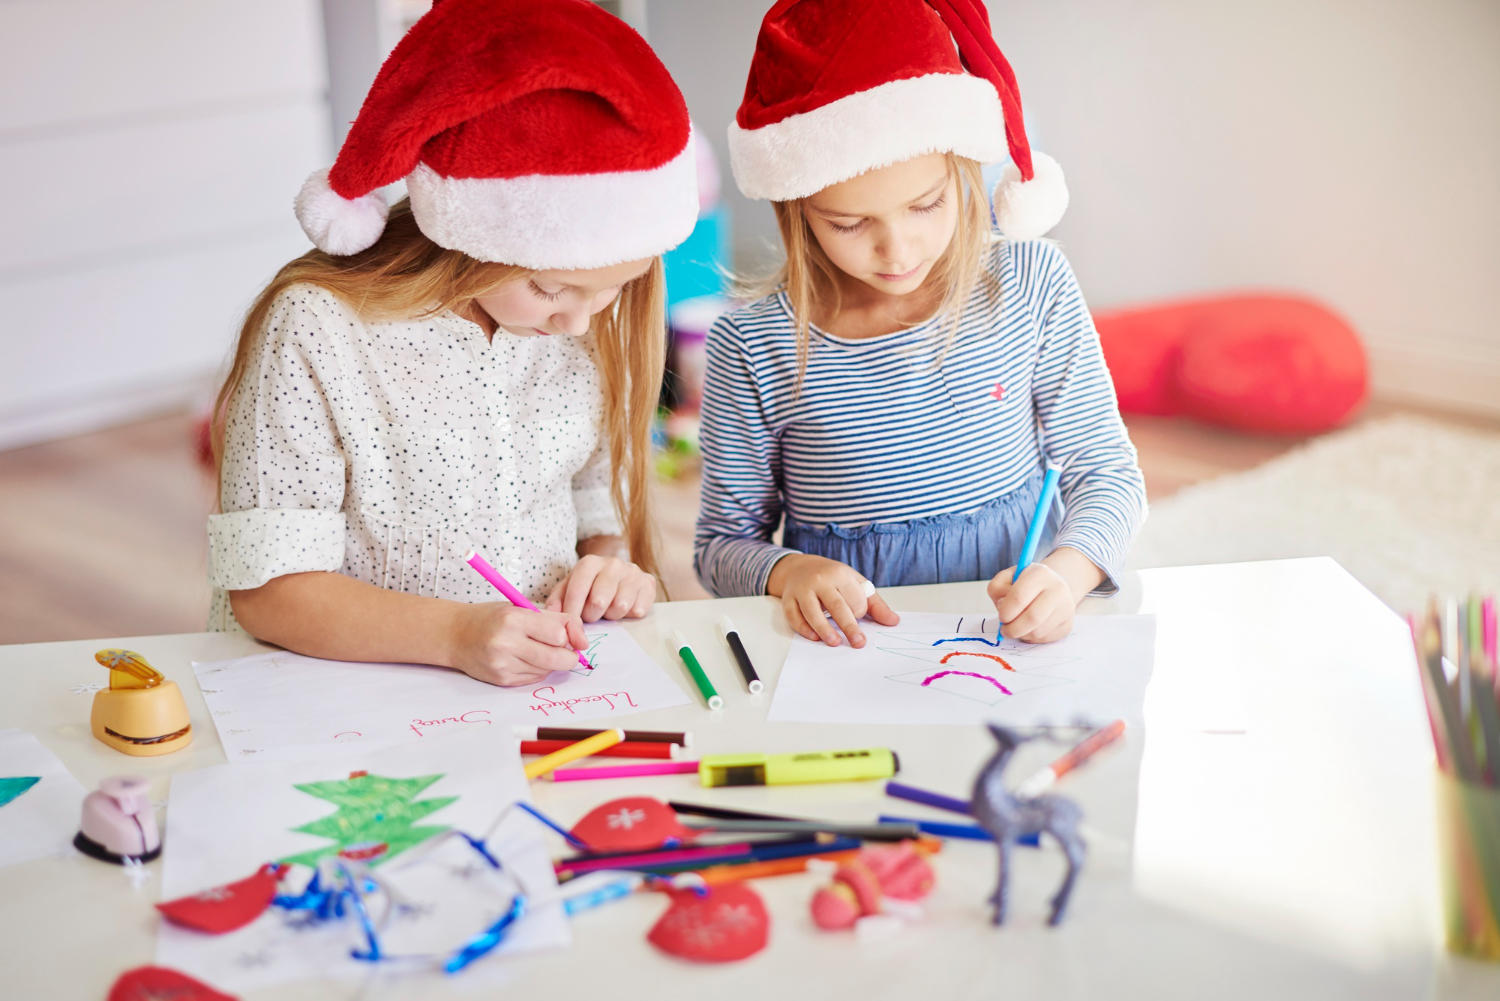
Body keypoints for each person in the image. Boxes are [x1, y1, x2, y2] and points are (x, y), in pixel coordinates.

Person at [207, 0, 698, 686]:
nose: (581, 324)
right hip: (354, 699)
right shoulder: (319, 327)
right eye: (550, 289)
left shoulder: (584, 319)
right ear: (473, 234)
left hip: (538, 691)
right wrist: (456, 635)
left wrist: (611, 567)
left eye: (615, 288)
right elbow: (268, 591)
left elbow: (595, 501)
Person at [695, 0, 1146, 649]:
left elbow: (1105, 471)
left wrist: (1067, 575)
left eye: (926, 204)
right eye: (849, 224)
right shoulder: (752, 345)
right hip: (857, 656)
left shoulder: (1032, 281)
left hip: (1019, 649)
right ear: (796, 211)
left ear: (964, 171)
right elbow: (720, 545)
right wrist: (788, 571)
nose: (897, 250)